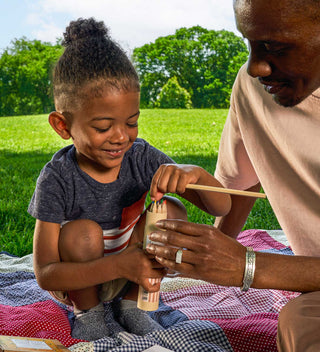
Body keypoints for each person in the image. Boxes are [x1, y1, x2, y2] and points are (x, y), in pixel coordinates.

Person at [28, 18, 231, 341]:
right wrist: (120, 266)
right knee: (82, 232)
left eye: (132, 122)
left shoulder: (141, 157)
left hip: (134, 273)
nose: (121, 137)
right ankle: (90, 314)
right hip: (81, 279)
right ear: (62, 126)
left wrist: (195, 174)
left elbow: (220, 205)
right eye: (103, 126)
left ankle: (133, 305)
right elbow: (46, 274)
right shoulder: (57, 178)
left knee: (172, 210)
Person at [146, 0, 320, 351]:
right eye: (249, 43)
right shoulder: (256, 87)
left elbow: (244, 265)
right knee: (300, 322)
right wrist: (208, 259)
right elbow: (238, 187)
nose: (255, 67)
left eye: (276, 47)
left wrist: (246, 266)